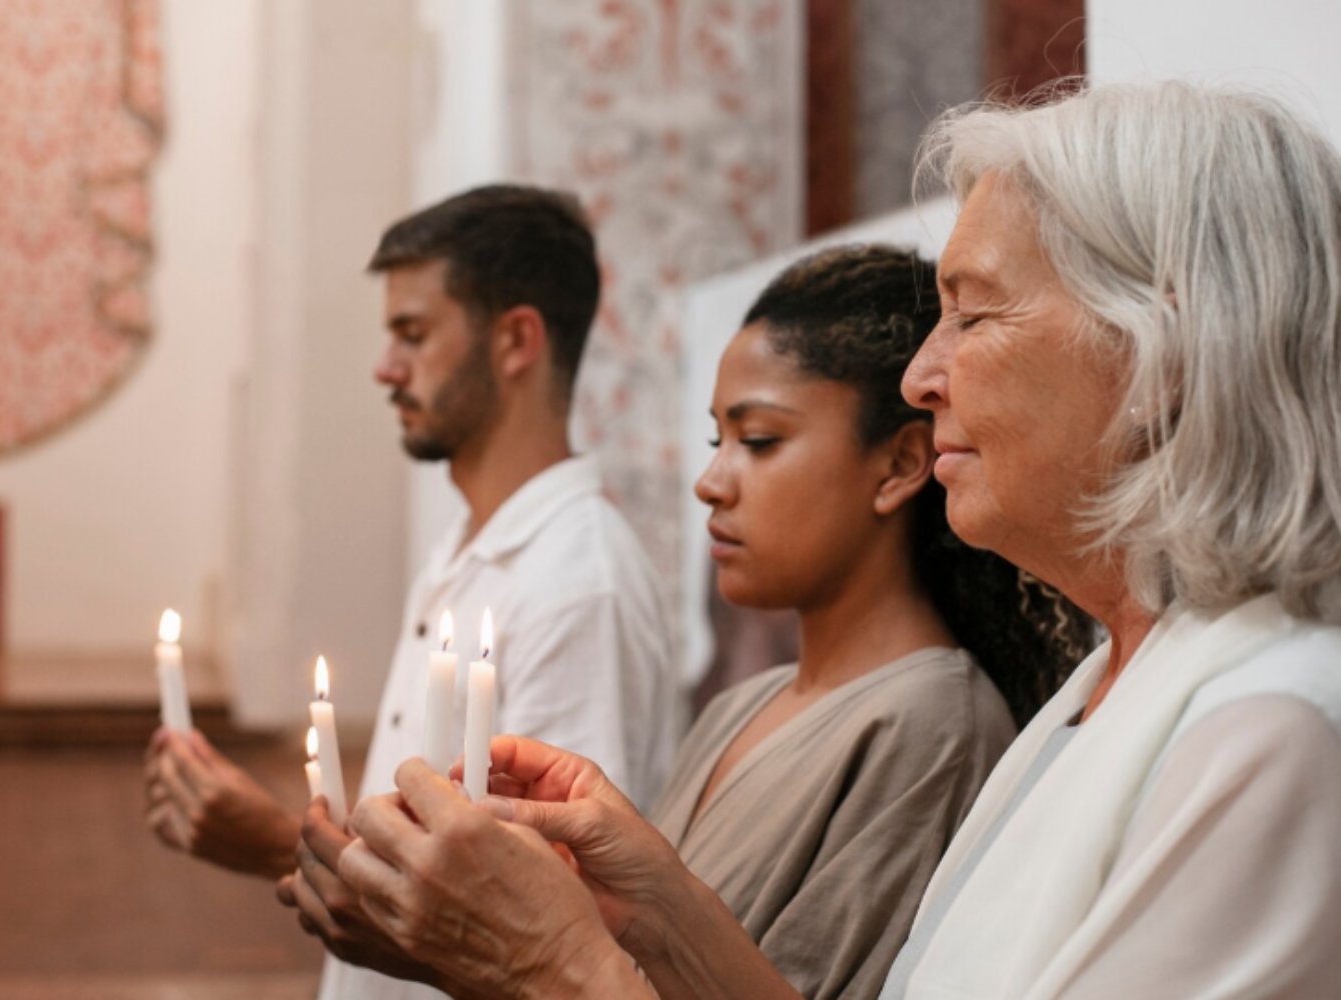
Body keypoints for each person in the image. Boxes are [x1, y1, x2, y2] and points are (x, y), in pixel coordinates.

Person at [275, 81, 1341, 998]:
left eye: (974, 317)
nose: (924, 379)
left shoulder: (1273, 728)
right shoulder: (1107, 682)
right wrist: (653, 905)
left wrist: (553, 963)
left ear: (1157, 354)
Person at [281, 245, 1090, 998]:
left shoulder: (931, 722)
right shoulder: (748, 703)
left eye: (759, 440)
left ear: (902, 463)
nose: (711, 482)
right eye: (716, 438)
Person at [143, 184, 678, 999]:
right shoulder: (464, 546)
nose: (385, 368)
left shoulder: (580, 585)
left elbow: (551, 924)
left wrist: (280, 842)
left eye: (414, 334)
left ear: (516, 341)